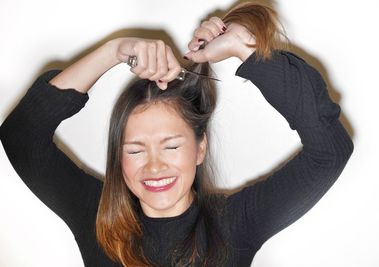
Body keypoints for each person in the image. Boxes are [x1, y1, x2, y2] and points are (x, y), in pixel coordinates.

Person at [0, 2, 354, 267]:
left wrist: (243, 47)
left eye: (171, 145)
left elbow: (330, 150)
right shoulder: (96, 217)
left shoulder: (234, 224)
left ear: (200, 148)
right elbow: (21, 134)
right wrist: (113, 51)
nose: (154, 167)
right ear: (117, 155)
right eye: (135, 150)